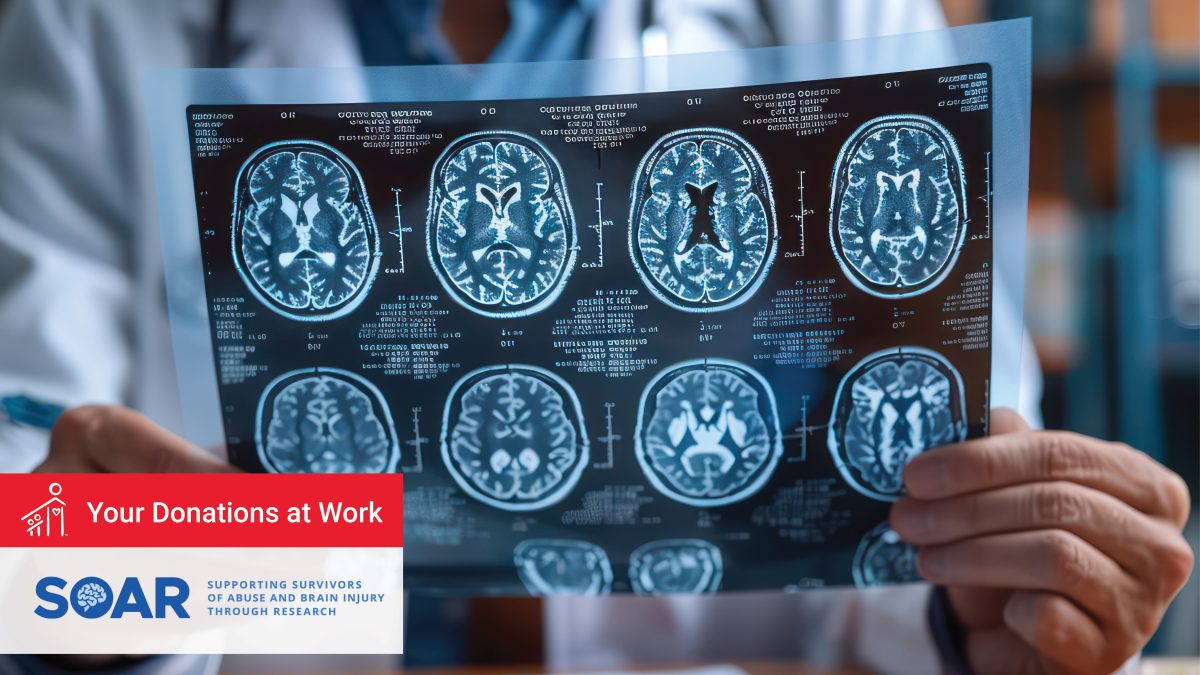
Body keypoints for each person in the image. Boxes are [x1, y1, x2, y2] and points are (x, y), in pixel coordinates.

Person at [0, 1, 1190, 674]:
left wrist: (990, 616)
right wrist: (90, 589)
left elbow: (931, 504)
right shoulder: (89, 26)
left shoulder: (842, 18)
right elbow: (35, 516)